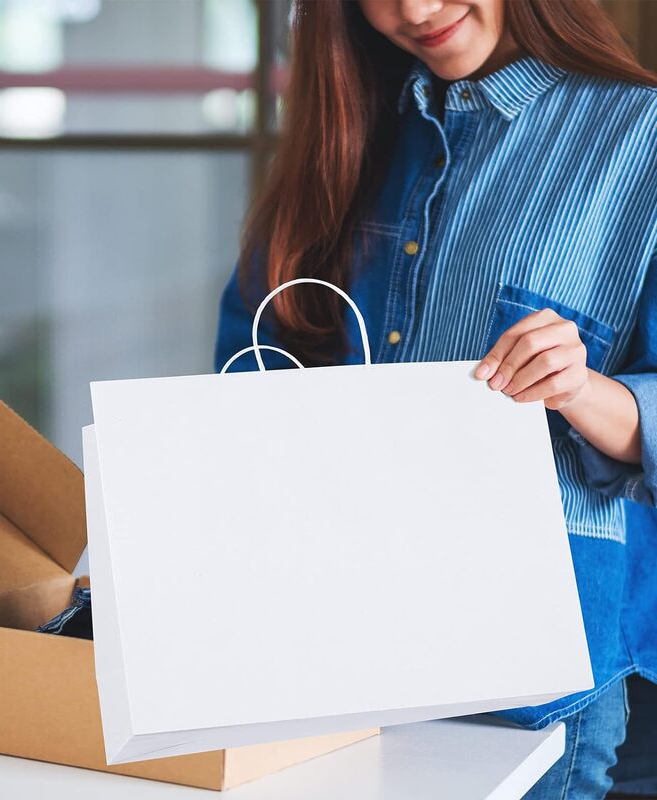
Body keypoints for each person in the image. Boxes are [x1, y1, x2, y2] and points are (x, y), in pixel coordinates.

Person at [213, 1, 657, 797]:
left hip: (534, 688)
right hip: (316, 656)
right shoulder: (345, 137)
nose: (414, 10)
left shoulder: (641, 136)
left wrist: (583, 391)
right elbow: (244, 380)